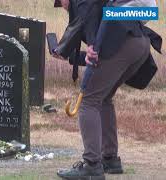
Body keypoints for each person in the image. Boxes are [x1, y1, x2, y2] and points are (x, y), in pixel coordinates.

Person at [53, 0, 161, 179]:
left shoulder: (82, 3)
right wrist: (73, 54)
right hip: (139, 43)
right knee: (103, 98)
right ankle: (109, 159)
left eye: (59, 2)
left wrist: (87, 45)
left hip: (123, 42)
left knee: (88, 101)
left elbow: (86, 16)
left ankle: (92, 165)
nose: (61, 5)